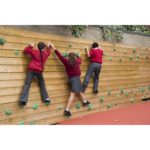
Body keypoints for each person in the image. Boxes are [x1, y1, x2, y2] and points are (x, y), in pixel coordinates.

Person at [50, 42, 90, 117]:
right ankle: (67, 110)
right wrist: (79, 55)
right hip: (75, 79)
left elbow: (59, 56)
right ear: (75, 57)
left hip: (72, 79)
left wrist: (53, 47)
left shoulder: (66, 61)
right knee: (73, 94)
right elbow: (80, 59)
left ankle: (85, 101)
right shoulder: (77, 61)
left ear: (68, 57)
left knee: (80, 90)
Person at [19, 42, 51, 107]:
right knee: (42, 84)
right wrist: (48, 46)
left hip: (31, 70)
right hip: (39, 71)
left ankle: (23, 100)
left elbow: (26, 51)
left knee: (27, 84)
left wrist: (30, 46)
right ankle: (46, 98)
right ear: (44, 47)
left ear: (38, 47)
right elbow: (48, 52)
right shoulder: (45, 54)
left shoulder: (34, 51)